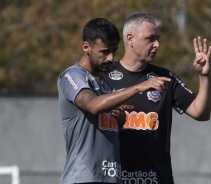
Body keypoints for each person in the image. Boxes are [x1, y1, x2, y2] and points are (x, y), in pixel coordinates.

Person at [102, 12, 211, 184]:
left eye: (157, 38)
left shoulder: (165, 78)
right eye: (150, 39)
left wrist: (204, 76)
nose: (157, 45)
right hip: (114, 178)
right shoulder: (103, 77)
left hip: (156, 179)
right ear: (130, 39)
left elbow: (201, 113)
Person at [57, 18, 171, 184]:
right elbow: (93, 105)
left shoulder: (105, 84)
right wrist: (138, 87)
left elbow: (105, 129)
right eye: (104, 51)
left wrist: (120, 120)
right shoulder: (72, 76)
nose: (111, 58)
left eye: (114, 51)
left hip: (111, 178)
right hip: (83, 177)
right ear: (86, 47)